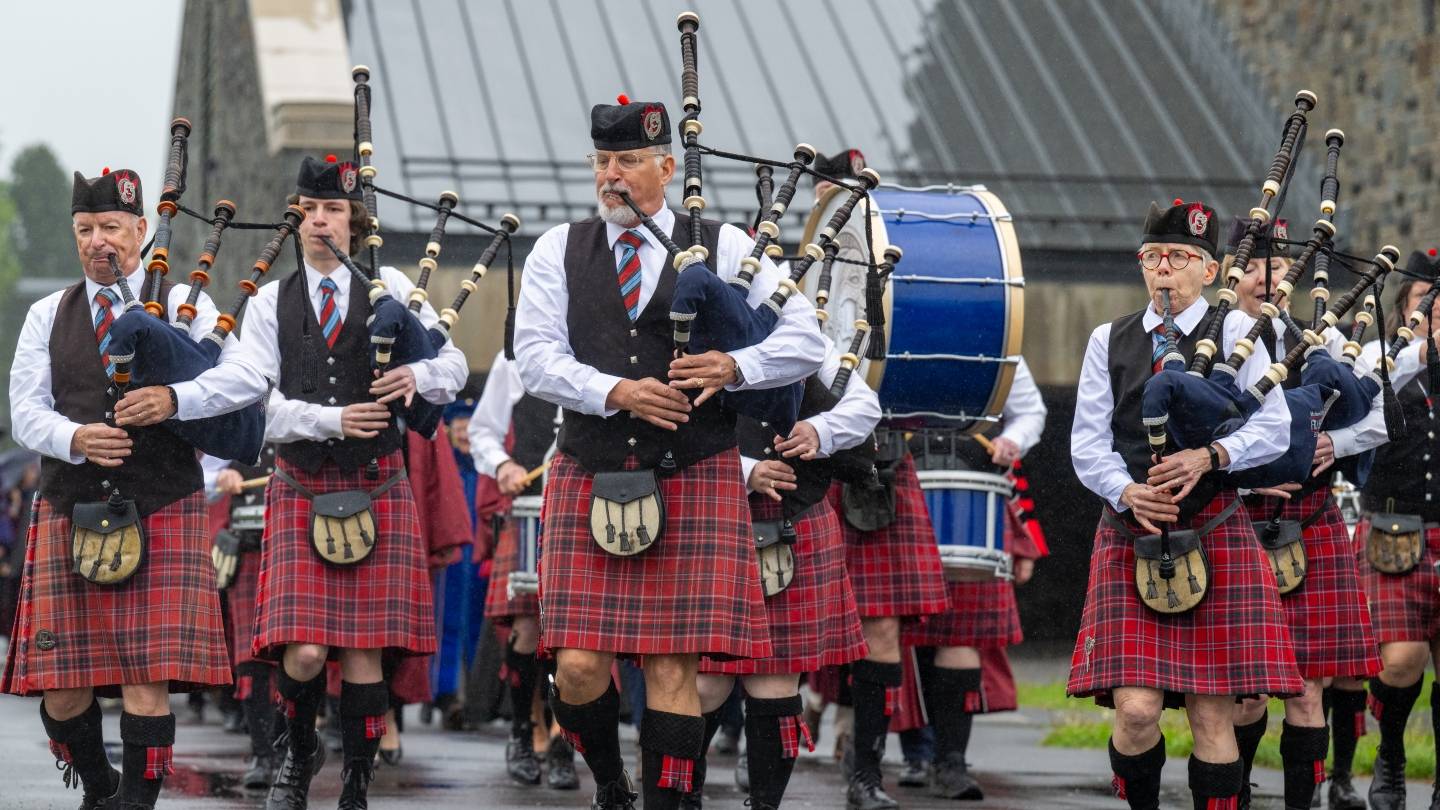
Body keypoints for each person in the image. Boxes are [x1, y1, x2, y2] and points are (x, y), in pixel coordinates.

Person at [120, 154, 468, 809]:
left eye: (332, 209)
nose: (319, 221)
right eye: (308, 210)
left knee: (365, 654)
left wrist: (417, 378)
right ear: (296, 217)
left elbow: (450, 363)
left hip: (377, 483)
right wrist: (326, 418)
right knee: (304, 653)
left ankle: (358, 783)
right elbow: (255, 397)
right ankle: (298, 751)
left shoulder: (390, 284)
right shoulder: (270, 302)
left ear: (353, 219)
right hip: (303, 486)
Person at [512, 97, 825, 810]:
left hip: (692, 474)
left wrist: (733, 367)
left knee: (672, 670)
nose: (611, 177)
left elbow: (806, 339)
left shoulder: (729, 245)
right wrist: (616, 391)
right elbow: (533, 357)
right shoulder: (558, 248)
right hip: (589, 469)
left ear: (665, 166)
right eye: (601, 162)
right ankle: (612, 783)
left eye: (626, 162)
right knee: (580, 669)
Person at [4, 168, 233, 810]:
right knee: (63, 691)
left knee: (145, 683)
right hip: (70, 506)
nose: (99, 241)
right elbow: (25, 410)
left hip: (163, 503)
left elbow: (238, 386)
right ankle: (101, 790)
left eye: (111, 228)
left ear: (142, 231)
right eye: (85, 229)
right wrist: (76, 438)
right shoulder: (48, 314)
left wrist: (174, 398)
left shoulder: (191, 305)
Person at [1066, 199, 1302, 808]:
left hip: (1214, 526)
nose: (1164, 269)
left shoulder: (1239, 335)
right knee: (1138, 711)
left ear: (1211, 269)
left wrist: (1210, 457)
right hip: (1130, 530)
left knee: (1211, 717)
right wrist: (1126, 490)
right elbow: (1088, 442)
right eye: (1153, 257)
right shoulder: (1108, 339)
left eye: (1181, 258)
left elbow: (1274, 430)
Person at [1218, 217, 1382, 809]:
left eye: (1279, 265)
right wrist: (1238, 480)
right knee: (1243, 694)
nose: (1268, 277)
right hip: (1230, 523)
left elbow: (1379, 415)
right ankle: (1231, 796)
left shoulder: (1324, 337)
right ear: (1229, 273)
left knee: (1308, 692)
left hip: (1309, 521)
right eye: (1255, 266)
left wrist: (1332, 446)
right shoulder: (1212, 341)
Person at [810, 149, 950, 810]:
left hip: (882, 463)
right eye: (840, 194)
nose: (852, 210)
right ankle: (768, 746)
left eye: (860, 196)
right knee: (781, 617)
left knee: (884, 629)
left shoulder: (903, 272)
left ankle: (866, 771)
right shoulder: (798, 270)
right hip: (809, 458)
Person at [689, 334, 879, 809]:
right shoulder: (691, 338)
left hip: (795, 518)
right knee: (703, 684)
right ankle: (681, 800)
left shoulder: (803, 339)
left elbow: (864, 408)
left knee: (775, 682)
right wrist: (747, 468)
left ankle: (765, 806)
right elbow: (670, 432)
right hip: (714, 516)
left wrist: (821, 430)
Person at [900, 356, 1047, 800]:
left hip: (972, 495)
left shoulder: (1000, 342)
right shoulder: (892, 333)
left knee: (957, 635)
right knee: (893, 636)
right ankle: (894, 758)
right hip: (894, 485)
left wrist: (1012, 440)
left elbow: (1031, 412)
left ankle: (950, 762)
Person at [1346, 255, 1438, 810]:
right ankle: (1392, 754)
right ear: (1404, 310)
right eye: (1422, 300)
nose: (1432, 310)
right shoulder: (1383, 364)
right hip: (1394, 529)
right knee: (1400, 662)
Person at [468, 349, 580, 790]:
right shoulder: (515, 357)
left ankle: (563, 740)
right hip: (530, 509)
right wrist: (503, 464)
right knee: (528, 631)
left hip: (592, 511)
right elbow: (482, 430)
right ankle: (523, 730)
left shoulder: (609, 344)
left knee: (579, 635)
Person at [213, 445, 286, 790]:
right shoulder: (235, 421)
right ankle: (261, 754)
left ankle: (290, 753)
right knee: (250, 658)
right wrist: (219, 477)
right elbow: (202, 466)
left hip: (293, 545)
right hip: (247, 549)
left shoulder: (305, 412)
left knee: (295, 654)